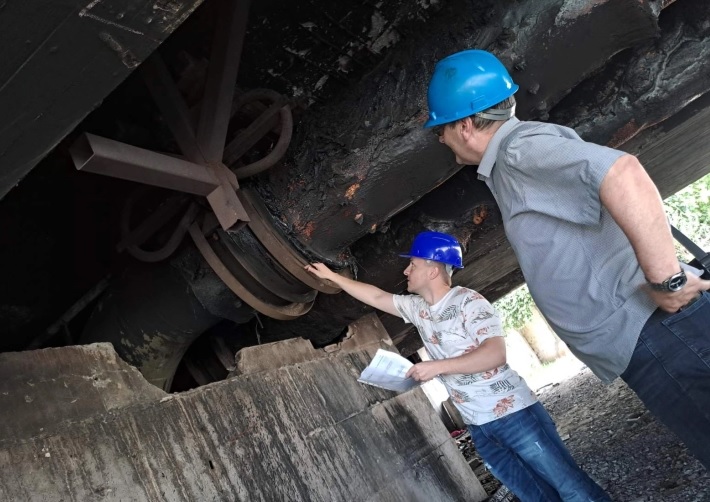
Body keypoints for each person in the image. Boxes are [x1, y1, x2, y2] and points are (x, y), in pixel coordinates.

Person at [423, 49, 710, 468]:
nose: (440, 140)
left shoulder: (519, 151)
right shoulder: (514, 158)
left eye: (440, 130)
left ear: (464, 126)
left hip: (659, 332)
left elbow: (623, 173)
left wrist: (669, 280)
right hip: (651, 337)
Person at [305, 231, 611, 501]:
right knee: (534, 495)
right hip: (478, 425)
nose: (406, 270)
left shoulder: (468, 302)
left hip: (513, 415)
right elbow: (376, 295)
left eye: (413, 264)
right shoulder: (419, 309)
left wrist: (437, 367)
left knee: (572, 489)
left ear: (433, 269)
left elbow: (494, 354)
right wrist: (334, 277)